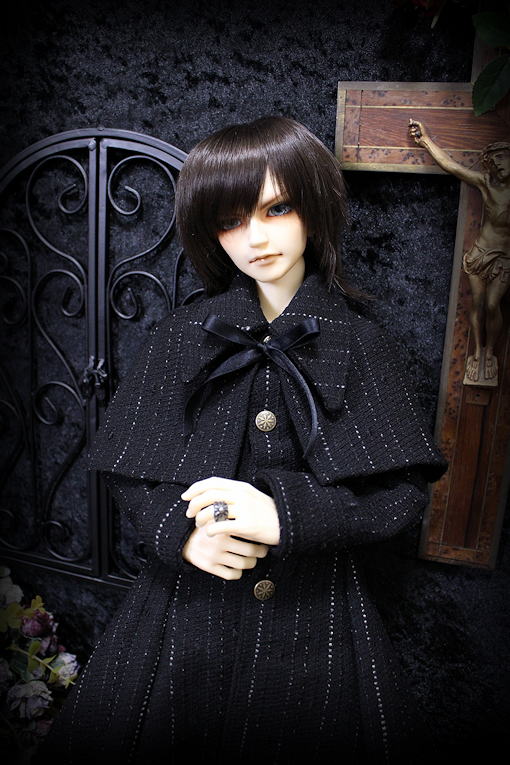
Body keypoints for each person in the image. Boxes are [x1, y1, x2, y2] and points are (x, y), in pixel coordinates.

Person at [41, 116, 446, 764]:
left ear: (313, 206)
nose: (256, 238)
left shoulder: (359, 341)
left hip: (316, 618)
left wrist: (288, 514)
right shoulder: (186, 334)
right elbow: (130, 464)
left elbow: (400, 491)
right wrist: (181, 533)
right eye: (231, 220)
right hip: (186, 612)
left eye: (277, 208)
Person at [409, 119, 510, 385]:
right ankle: (477, 351)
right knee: (477, 303)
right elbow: (452, 166)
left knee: (492, 304)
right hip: (480, 253)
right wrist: (425, 140)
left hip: (505, 258)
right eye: (495, 160)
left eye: (503, 158)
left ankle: (490, 351)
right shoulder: (487, 183)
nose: (498, 163)